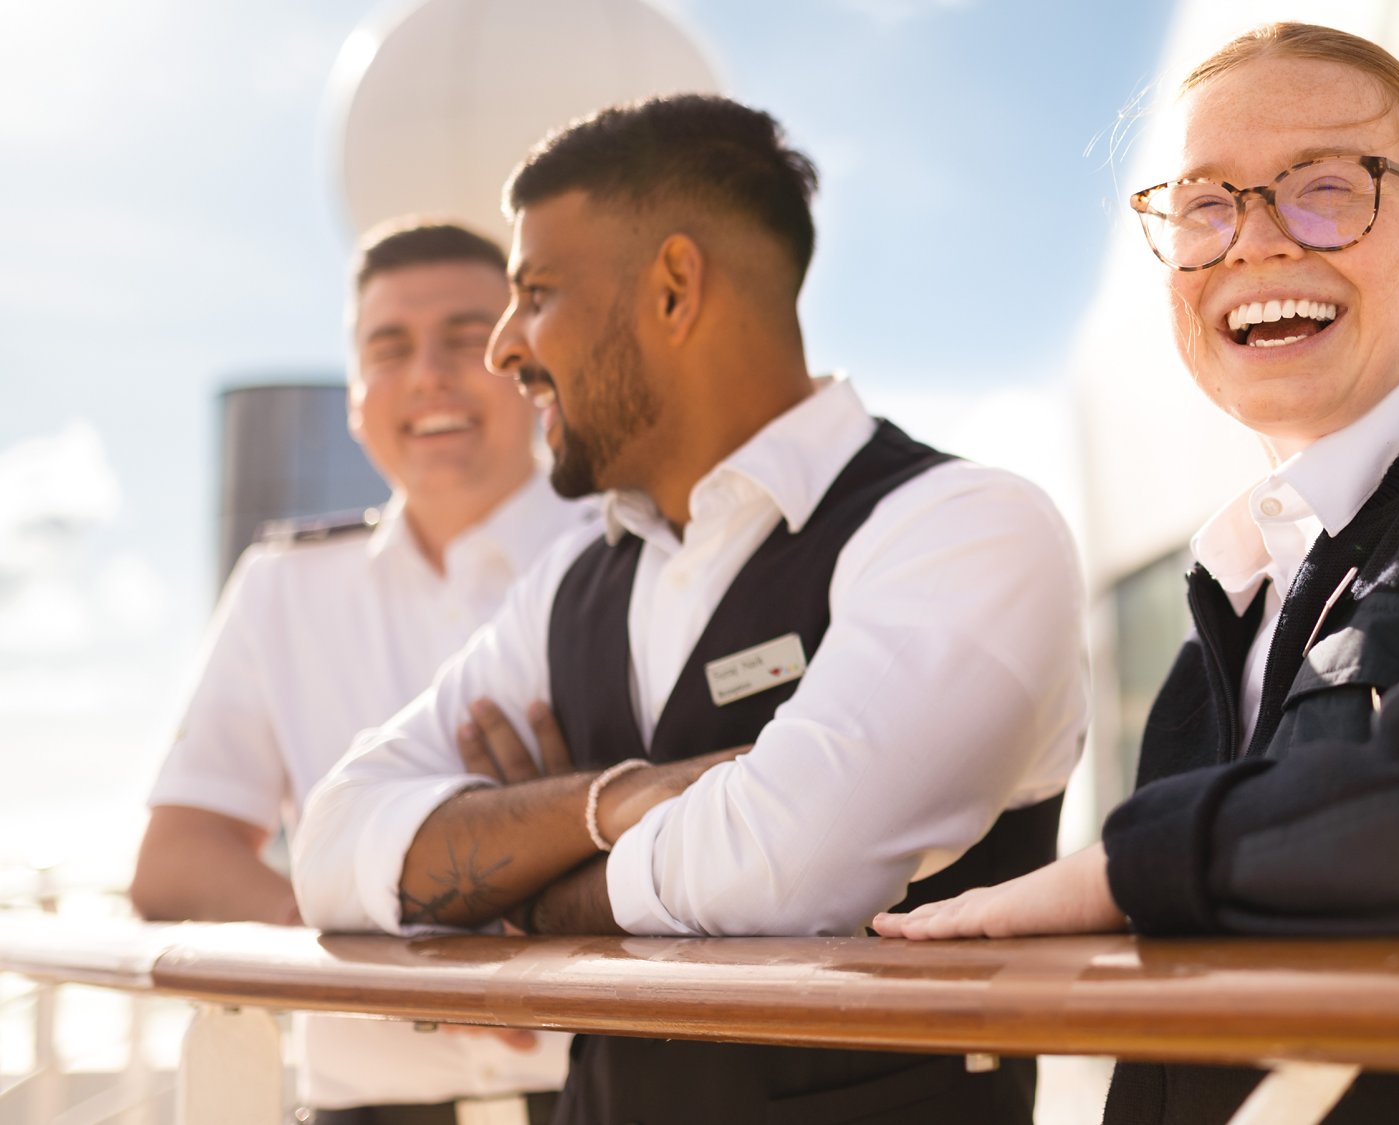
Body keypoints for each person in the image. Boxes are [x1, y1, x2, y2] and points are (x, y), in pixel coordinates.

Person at [874, 22, 1399, 1125]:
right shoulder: (1225, 617)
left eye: (1325, 189)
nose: (1256, 242)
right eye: (1203, 205)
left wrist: (1117, 871)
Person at [291, 94, 1088, 1125]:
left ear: (673, 288)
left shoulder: (965, 529)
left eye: (534, 293)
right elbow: (333, 849)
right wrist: (611, 802)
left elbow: (780, 868)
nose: (502, 347)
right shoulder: (572, 581)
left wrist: (511, 891)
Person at [132, 220, 583, 1123]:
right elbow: (175, 863)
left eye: (467, 338)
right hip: (367, 1108)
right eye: (389, 347)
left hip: (607, 1095)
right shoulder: (283, 589)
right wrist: (403, 953)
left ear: (530, 366)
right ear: (355, 395)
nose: (428, 375)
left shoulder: (633, 552)